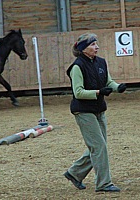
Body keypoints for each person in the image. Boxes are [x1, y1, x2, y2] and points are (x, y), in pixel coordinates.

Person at [64, 33, 127, 192]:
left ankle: (75, 173)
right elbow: (78, 92)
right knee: (99, 147)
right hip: (83, 111)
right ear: (84, 48)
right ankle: (104, 184)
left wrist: (117, 87)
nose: (96, 47)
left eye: (96, 44)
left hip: (99, 109)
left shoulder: (101, 62)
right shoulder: (77, 66)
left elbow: (108, 81)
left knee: (99, 147)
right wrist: (98, 92)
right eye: (93, 44)